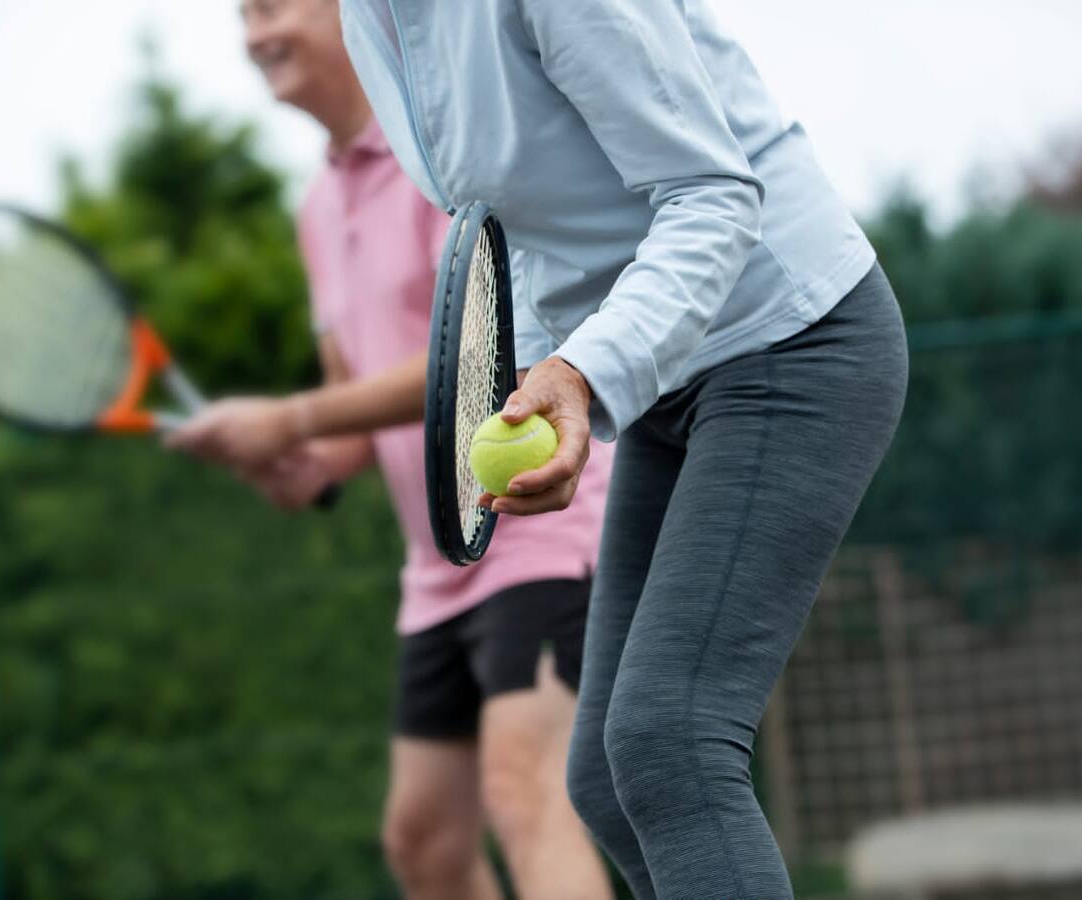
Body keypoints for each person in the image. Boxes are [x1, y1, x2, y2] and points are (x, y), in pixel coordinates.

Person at [321, 2, 908, 898]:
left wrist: (584, 372)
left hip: (790, 336)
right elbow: (518, 229)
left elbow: (714, 195)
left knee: (668, 740)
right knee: (603, 776)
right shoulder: (378, 17)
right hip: (672, 381)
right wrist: (541, 376)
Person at [168, 2, 616, 898]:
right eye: (243, 16)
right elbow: (356, 410)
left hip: (538, 527)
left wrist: (289, 418)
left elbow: (487, 352)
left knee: (527, 794)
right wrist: (304, 461)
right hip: (435, 572)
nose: (254, 35)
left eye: (271, 7)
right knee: (423, 840)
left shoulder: (443, 154)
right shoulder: (315, 209)